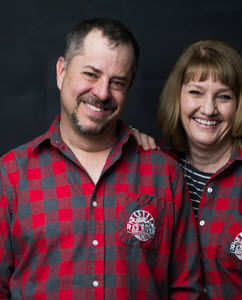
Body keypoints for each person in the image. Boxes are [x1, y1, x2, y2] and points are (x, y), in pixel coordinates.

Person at [0, 18, 203, 299]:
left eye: (117, 82)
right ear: (61, 72)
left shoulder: (163, 174)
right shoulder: (11, 175)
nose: (103, 93)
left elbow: (186, 289)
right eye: (91, 74)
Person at [132, 39, 242, 299]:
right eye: (196, 92)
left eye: (223, 96)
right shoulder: (153, 169)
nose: (209, 109)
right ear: (177, 97)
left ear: (241, 104)